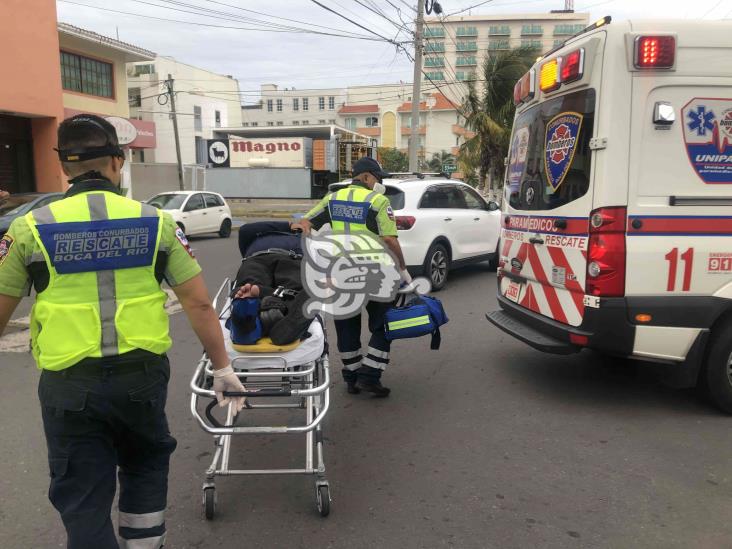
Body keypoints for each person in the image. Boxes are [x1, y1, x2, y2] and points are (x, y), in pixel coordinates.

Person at [0, 114, 246, 549]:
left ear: (63, 166)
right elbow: (199, 303)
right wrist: (223, 367)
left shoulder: (29, 228)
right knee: (144, 468)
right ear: (118, 160)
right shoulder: (159, 223)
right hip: (141, 377)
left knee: (82, 492)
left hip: (68, 383)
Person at [299, 157, 408, 397]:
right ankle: (369, 376)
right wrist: (402, 266)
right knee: (383, 324)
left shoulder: (332, 198)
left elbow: (305, 222)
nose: (379, 183)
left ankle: (352, 377)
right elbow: (390, 239)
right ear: (367, 176)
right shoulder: (378, 201)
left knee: (346, 326)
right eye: (378, 178)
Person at [229, 220, 312, 345]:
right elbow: (245, 229)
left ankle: (251, 322)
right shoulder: (259, 234)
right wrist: (287, 225)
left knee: (294, 285)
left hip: (294, 260)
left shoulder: (309, 242)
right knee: (250, 284)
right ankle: (255, 313)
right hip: (257, 258)